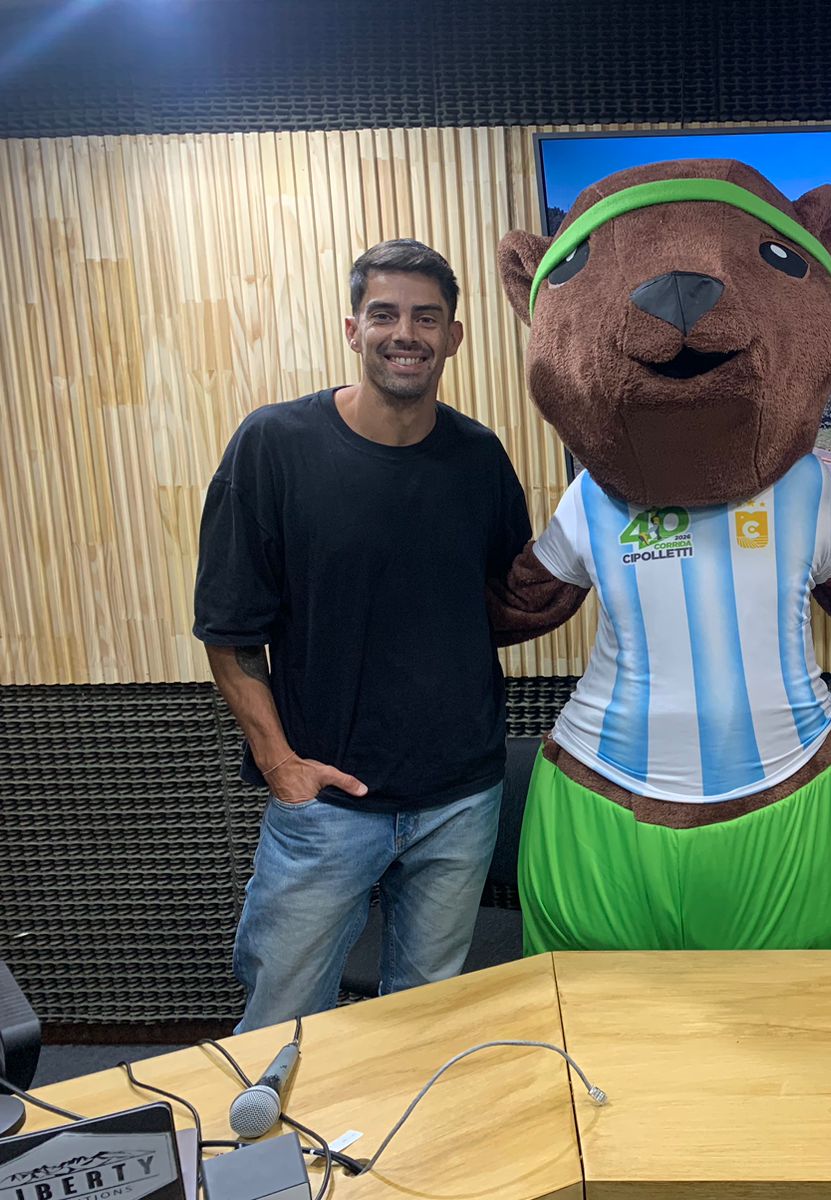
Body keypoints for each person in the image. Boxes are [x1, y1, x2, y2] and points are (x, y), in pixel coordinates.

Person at [194, 238, 532, 1031]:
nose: (404, 332)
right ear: (353, 329)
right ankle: (268, 1155)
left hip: (460, 801)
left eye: (426, 316)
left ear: (455, 335)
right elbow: (228, 632)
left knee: (420, 1027)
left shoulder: (480, 457)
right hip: (325, 805)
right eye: (384, 314)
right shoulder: (274, 446)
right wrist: (281, 767)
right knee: (282, 1022)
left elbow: (501, 600)